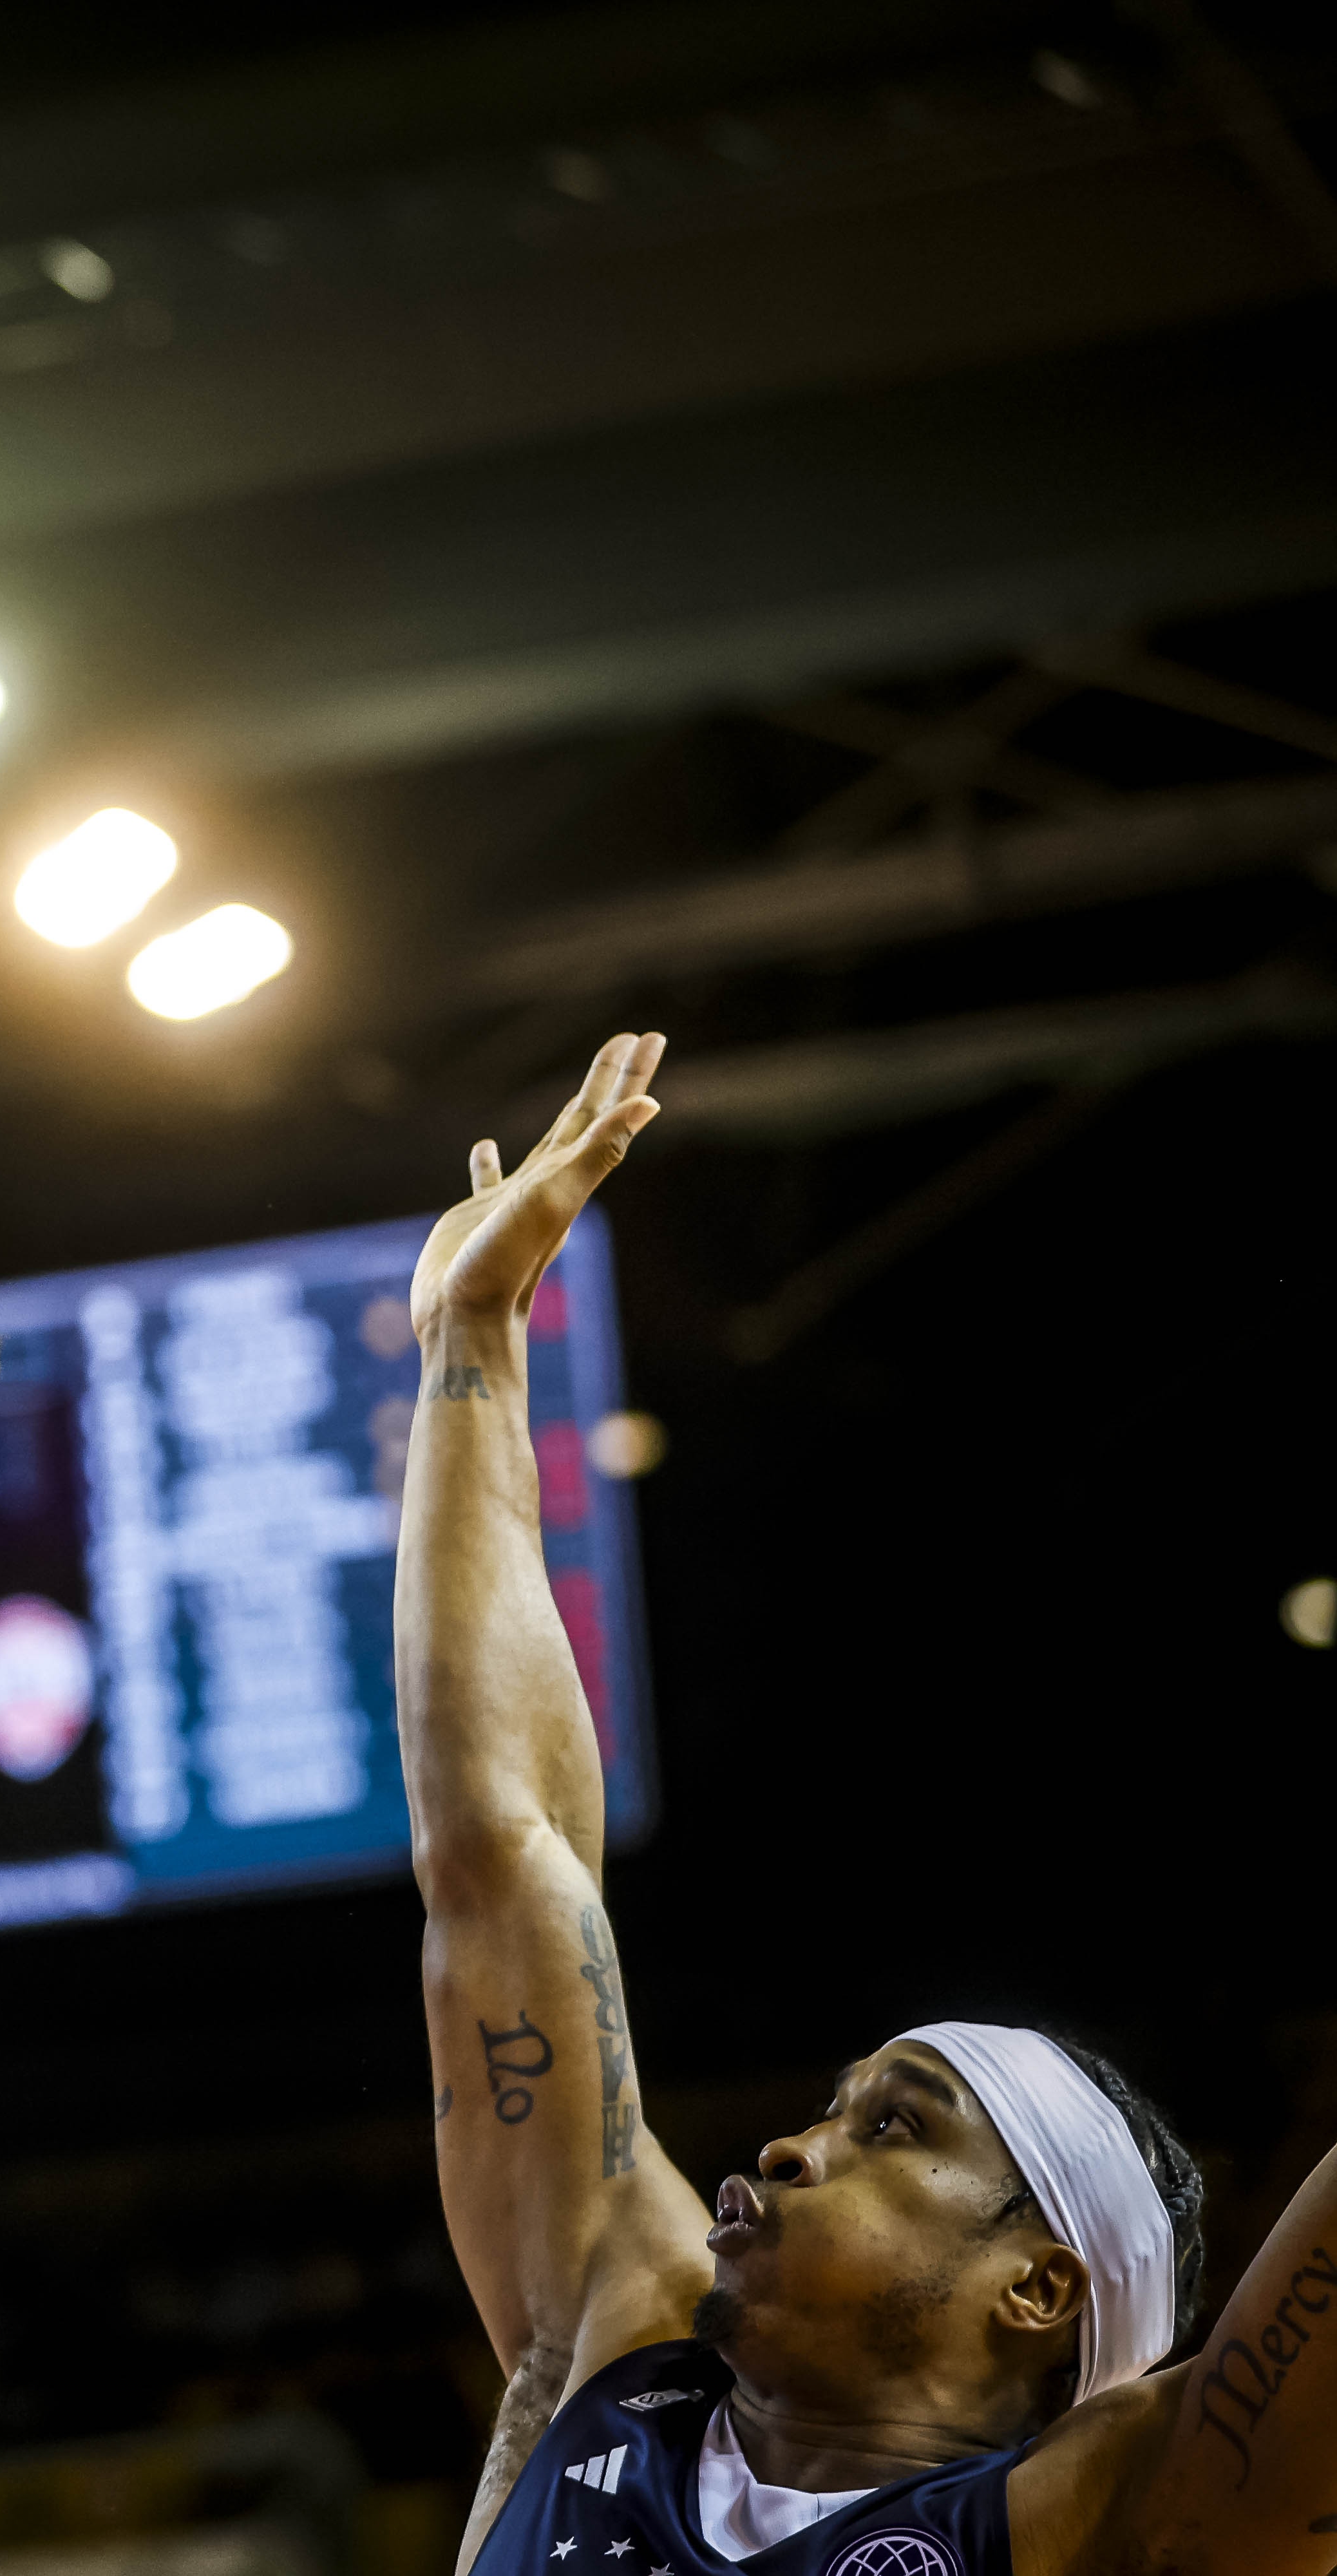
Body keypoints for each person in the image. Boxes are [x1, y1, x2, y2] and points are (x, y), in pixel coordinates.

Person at [396, 1030, 1335, 2576]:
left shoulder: (1116, 2517)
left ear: (1040, 2283)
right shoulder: (618, 2338)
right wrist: (473, 1342)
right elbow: (505, 1851)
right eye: (839, 2106)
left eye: (895, 2126)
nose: (785, 2146)